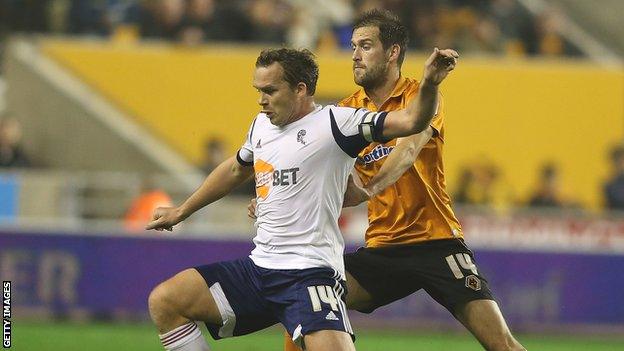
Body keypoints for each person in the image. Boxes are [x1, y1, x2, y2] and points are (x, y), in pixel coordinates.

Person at [146, 45, 458, 351]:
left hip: (310, 275)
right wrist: (182, 211)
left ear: (300, 89)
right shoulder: (261, 127)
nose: (261, 100)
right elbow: (235, 169)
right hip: (260, 270)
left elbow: (411, 121)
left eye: (270, 91)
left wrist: (430, 82)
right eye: (259, 90)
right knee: (166, 301)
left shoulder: (338, 123)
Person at [249, 9, 524, 351]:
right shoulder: (349, 111)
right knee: (305, 300)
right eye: (353, 46)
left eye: (365, 46)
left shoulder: (421, 98)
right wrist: (271, 195)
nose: (355, 55)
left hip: (436, 241)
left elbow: (407, 152)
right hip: (383, 248)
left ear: (392, 52)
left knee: (502, 345)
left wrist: (370, 188)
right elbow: (321, 174)